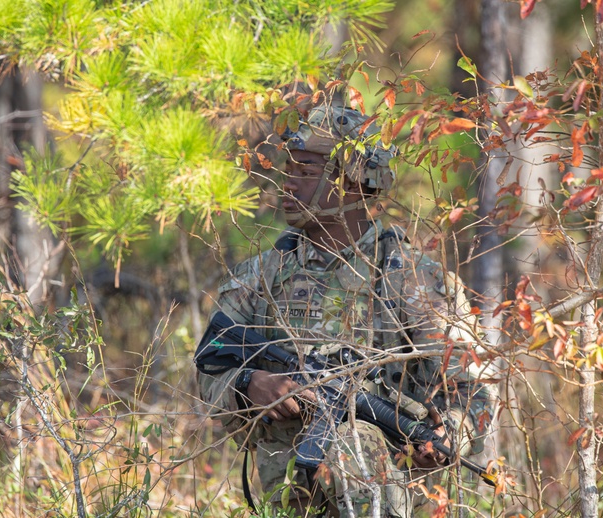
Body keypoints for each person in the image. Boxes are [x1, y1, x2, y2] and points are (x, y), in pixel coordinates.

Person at [198, 93, 495, 517]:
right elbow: (210, 368)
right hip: (285, 497)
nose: (288, 184)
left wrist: (450, 435)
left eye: (305, 171)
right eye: (287, 170)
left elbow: (473, 390)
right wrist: (250, 383)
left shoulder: (412, 277)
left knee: (358, 441)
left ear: (351, 178)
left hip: (391, 495)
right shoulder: (262, 275)